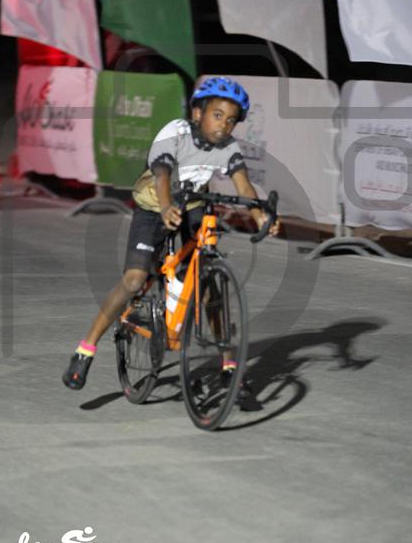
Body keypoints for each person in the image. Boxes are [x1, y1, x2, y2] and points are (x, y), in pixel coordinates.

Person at [63, 76, 280, 390]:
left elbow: (244, 187)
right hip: (154, 204)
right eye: (217, 115)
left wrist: (261, 218)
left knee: (209, 282)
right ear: (197, 113)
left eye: (231, 120)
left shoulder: (228, 147)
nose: (224, 125)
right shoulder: (175, 132)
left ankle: (229, 365)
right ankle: (85, 350)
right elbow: (162, 174)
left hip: (193, 203)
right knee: (134, 280)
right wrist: (165, 206)